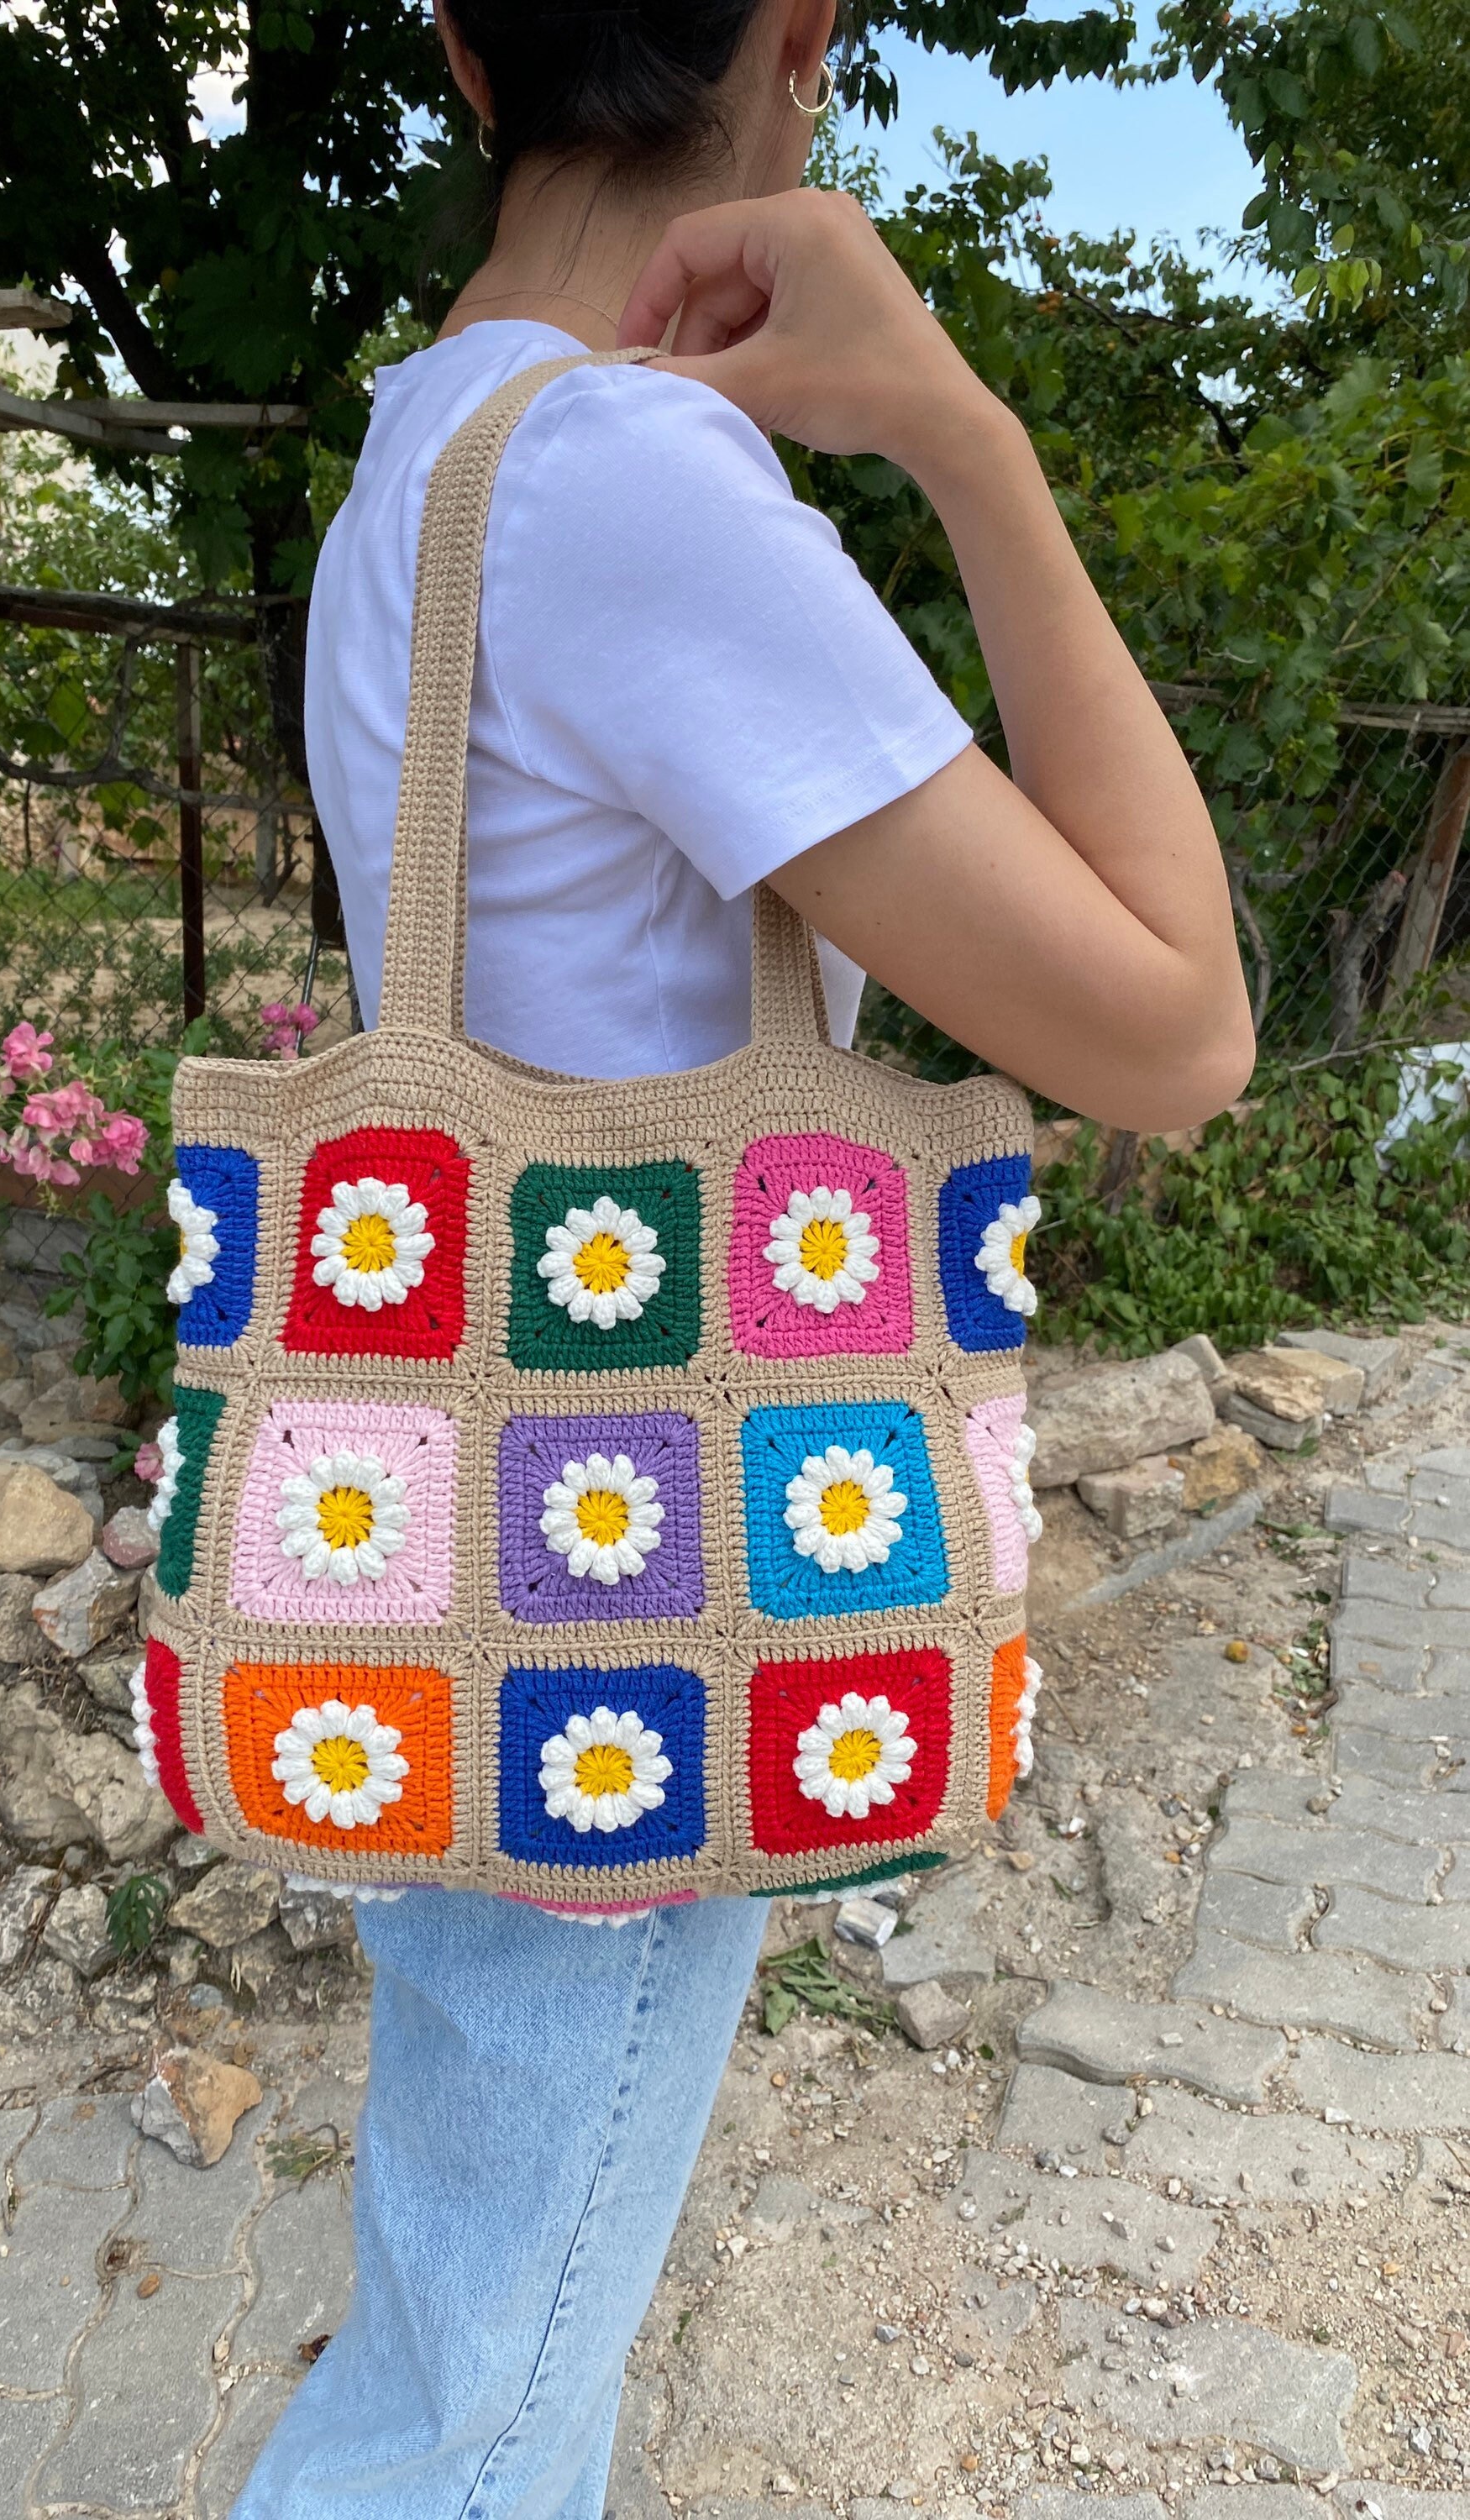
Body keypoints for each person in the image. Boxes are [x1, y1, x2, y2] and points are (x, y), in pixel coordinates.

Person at [232, 3, 1254, 2512]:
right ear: (797, 38)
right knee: (470, 2406)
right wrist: (957, 438)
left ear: (466, 55)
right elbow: (1172, 1029)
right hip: (636, 1573)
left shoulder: (425, 446)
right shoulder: (622, 482)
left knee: (472, 2300)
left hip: (479, 1540)